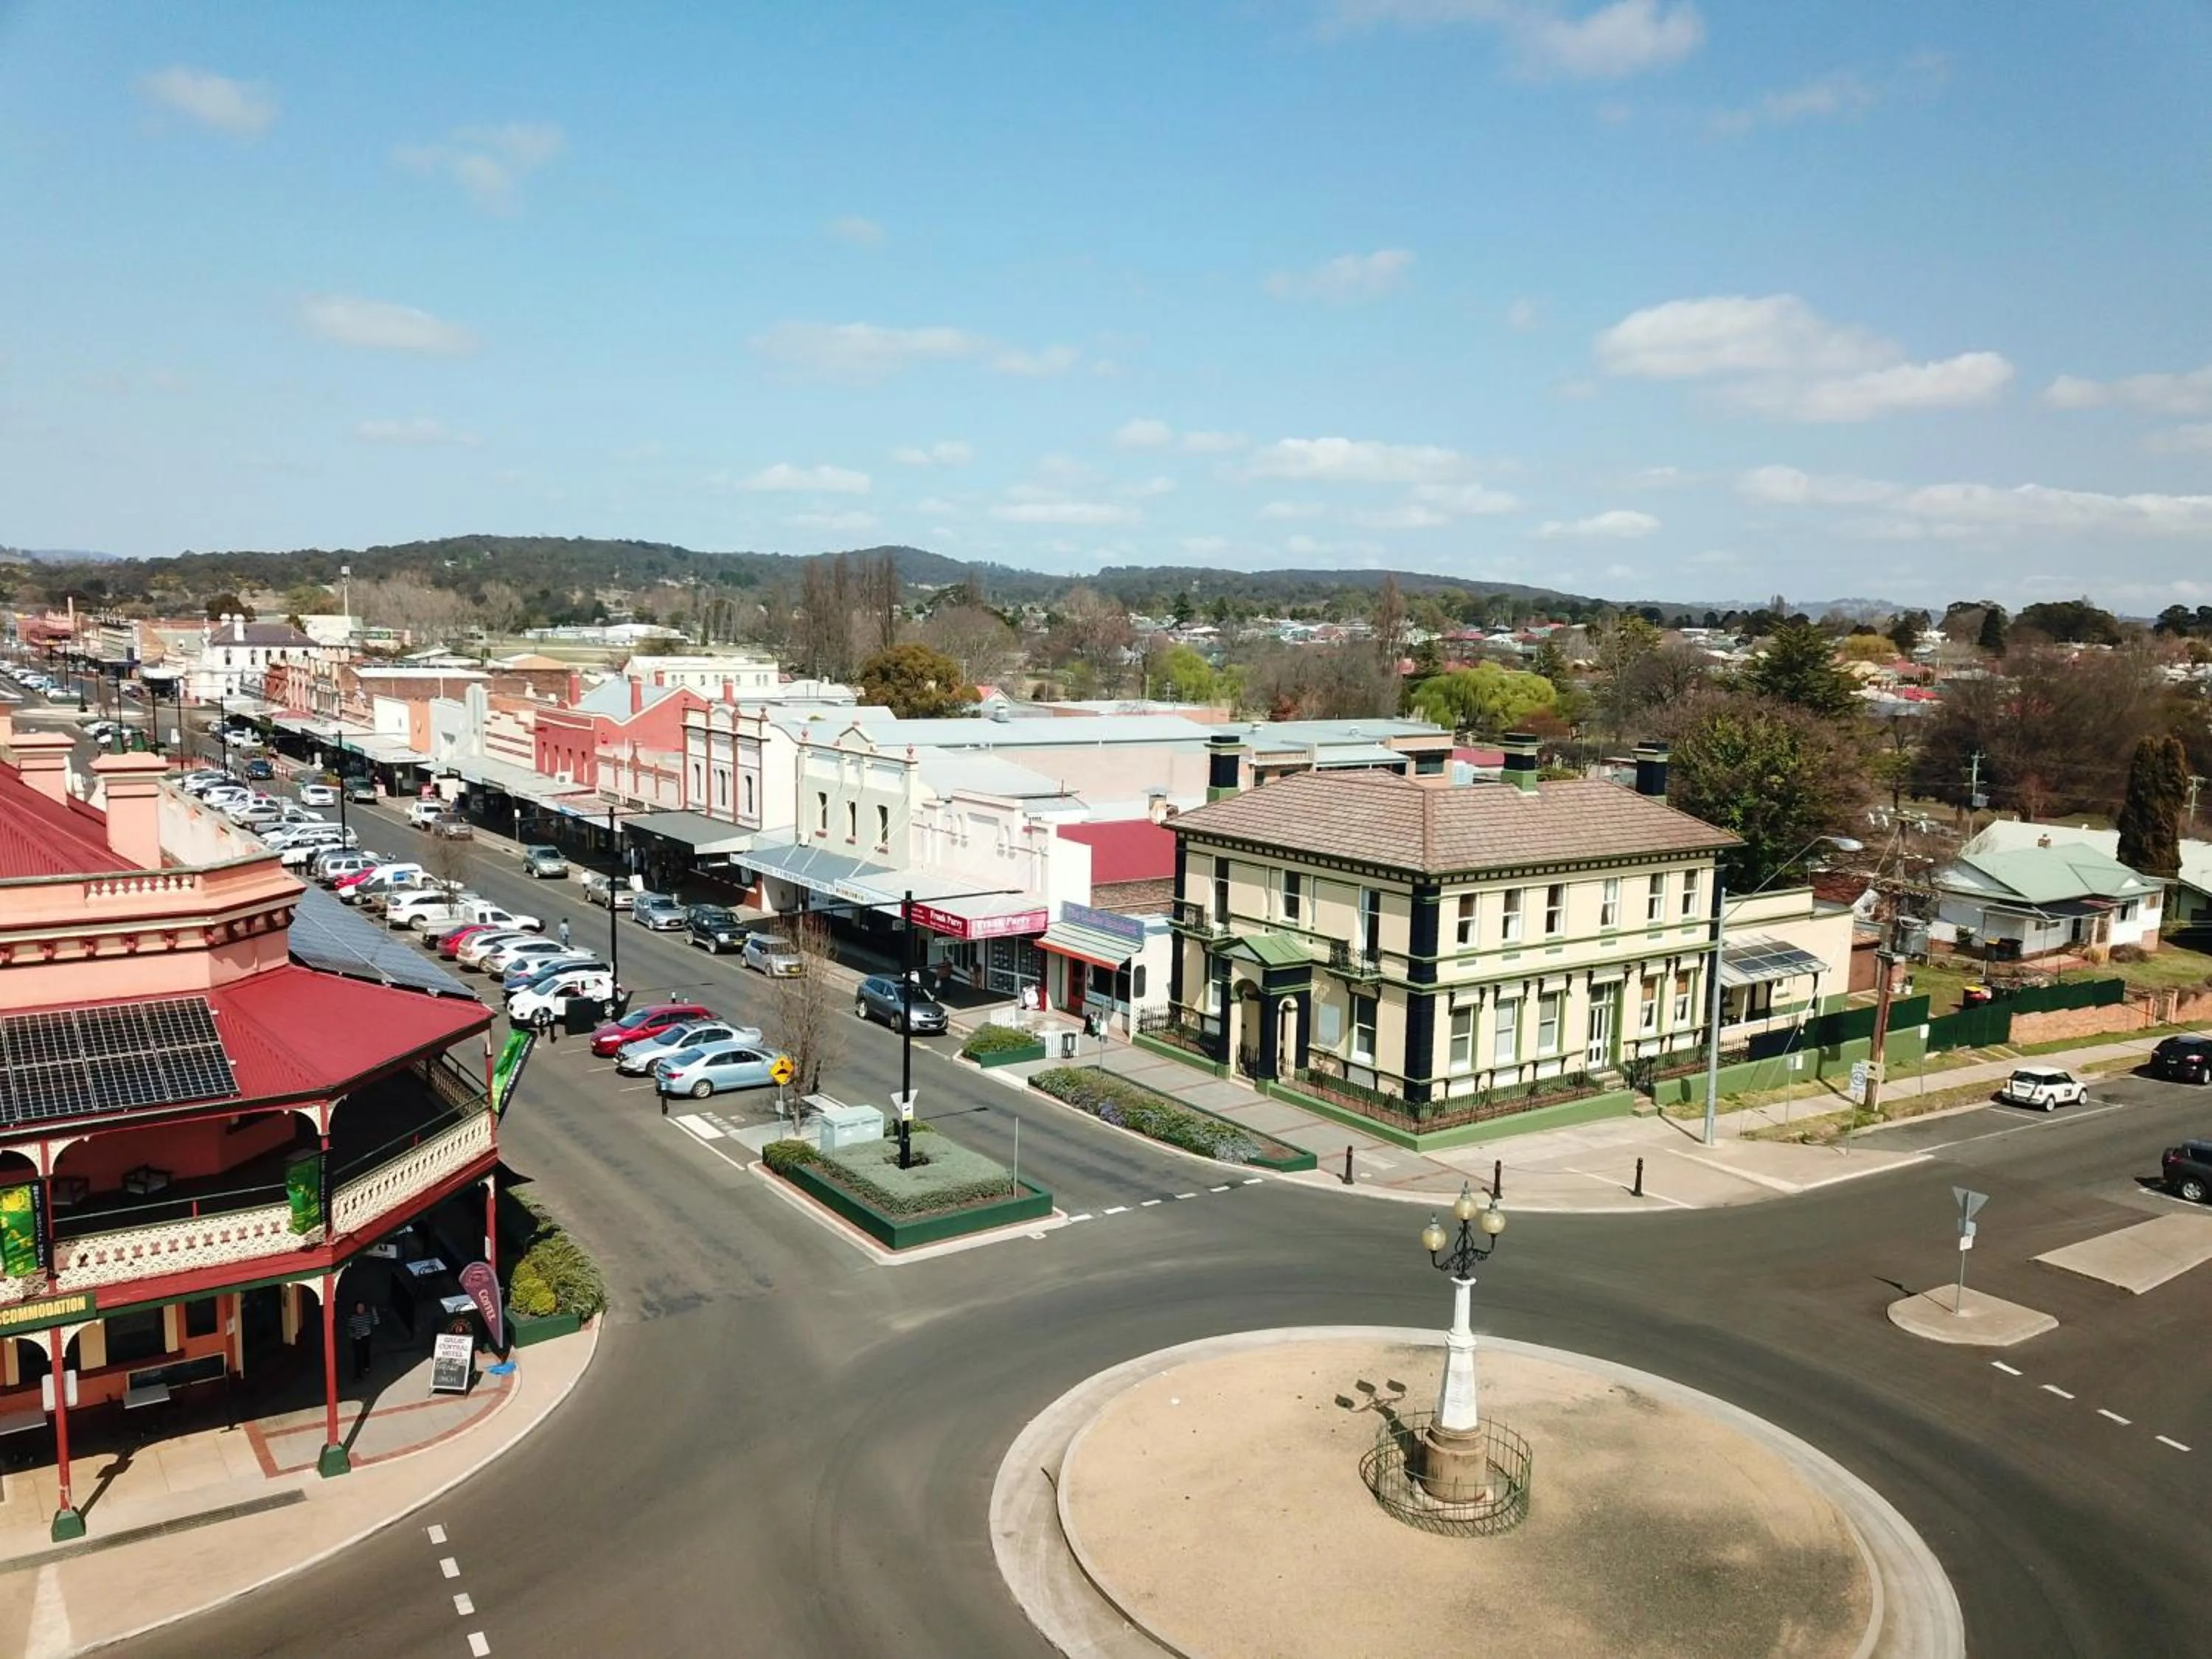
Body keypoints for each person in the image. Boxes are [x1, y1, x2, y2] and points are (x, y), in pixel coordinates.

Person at [347, 1300, 378, 1380]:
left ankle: (366, 1366)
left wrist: (374, 1312)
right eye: (359, 1307)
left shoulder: (367, 1316)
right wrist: (354, 1335)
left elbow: (376, 1322)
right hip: (357, 1339)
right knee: (357, 1356)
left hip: (366, 1337)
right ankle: (358, 1374)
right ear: (356, 1309)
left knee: (366, 1352)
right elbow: (350, 1329)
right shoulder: (353, 1318)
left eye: (362, 1307)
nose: (361, 1309)